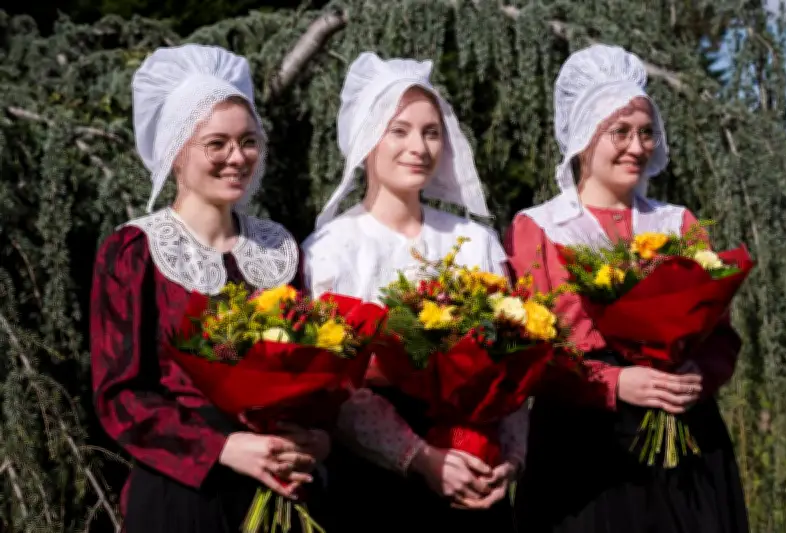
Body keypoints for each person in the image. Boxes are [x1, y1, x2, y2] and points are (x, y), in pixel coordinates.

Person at [505, 43, 749, 533]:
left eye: (645, 133)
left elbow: (719, 335)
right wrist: (616, 384)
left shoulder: (677, 223)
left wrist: (698, 373)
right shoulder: (539, 228)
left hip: (686, 440)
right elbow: (533, 352)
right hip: (585, 451)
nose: (637, 147)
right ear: (581, 136)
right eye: (620, 132)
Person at [90, 44, 330, 533]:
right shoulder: (134, 250)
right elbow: (120, 396)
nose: (236, 158)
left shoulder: (277, 246)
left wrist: (315, 435)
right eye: (216, 144)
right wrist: (221, 448)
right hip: (185, 489)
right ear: (176, 152)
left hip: (282, 481)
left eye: (247, 141)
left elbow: (312, 363)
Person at [301, 52, 526, 533]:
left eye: (431, 131)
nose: (418, 147)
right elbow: (335, 388)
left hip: (476, 468)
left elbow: (513, 364)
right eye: (398, 130)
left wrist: (510, 456)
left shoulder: (475, 241)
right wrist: (420, 457)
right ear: (366, 140)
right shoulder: (331, 250)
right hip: (374, 488)